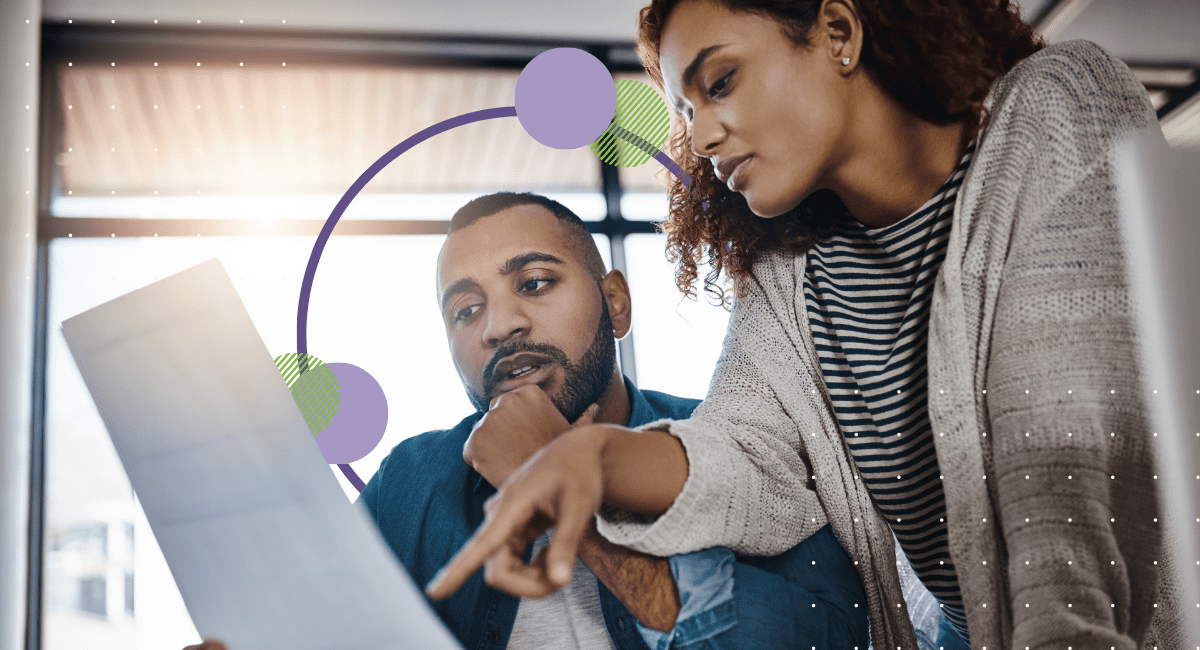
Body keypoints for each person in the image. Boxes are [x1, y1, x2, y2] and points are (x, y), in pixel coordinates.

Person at [427, 3, 1184, 650]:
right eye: (686, 115)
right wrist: (590, 454)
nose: (705, 136)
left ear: (838, 31)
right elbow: (743, 455)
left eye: (719, 83)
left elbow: (1064, 455)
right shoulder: (793, 276)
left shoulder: (1057, 105)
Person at [185, 192, 872, 650]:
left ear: (617, 305)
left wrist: (560, 485)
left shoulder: (735, 446)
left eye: (535, 283)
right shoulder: (413, 482)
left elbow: (835, 636)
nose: (500, 326)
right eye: (466, 310)